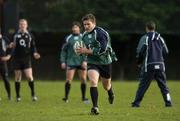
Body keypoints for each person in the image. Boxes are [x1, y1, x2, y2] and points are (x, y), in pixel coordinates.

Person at [76, 13, 117, 115]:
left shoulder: (101, 33)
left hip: (104, 61)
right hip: (92, 62)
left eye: (88, 24)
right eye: (84, 24)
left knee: (106, 86)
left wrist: (87, 51)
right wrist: (83, 56)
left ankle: (110, 92)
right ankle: (95, 107)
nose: (85, 27)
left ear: (94, 23)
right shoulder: (84, 35)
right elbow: (83, 49)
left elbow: (103, 49)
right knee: (93, 82)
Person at [131, 21, 172, 107]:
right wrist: (159, 57)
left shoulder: (145, 38)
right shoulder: (160, 38)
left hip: (149, 65)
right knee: (164, 86)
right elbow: (166, 51)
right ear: (154, 28)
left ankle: (136, 103)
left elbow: (141, 51)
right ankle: (168, 102)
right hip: (160, 65)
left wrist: (139, 61)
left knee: (143, 85)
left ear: (146, 28)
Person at [10, 19, 40, 102]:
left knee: (30, 77)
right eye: (21, 24)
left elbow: (33, 47)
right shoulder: (15, 35)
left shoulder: (30, 35)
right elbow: (11, 45)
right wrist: (11, 46)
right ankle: (18, 96)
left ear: (26, 25)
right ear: (19, 25)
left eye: (24, 24)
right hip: (17, 59)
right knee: (17, 78)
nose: (22, 26)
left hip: (26, 59)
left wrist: (35, 53)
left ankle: (33, 94)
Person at [60, 21, 89, 103]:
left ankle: (83, 98)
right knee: (68, 80)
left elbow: (87, 50)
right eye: (73, 27)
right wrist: (63, 61)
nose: (74, 28)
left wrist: (85, 60)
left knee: (83, 79)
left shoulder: (84, 37)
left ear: (79, 28)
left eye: (76, 27)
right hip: (71, 62)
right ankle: (66, 98)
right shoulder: (68, 38)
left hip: (81, 62)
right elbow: (63, 50)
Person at [0, 30, 12, 100]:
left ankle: (9, 95)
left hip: (2, 62)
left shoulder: (4, 39)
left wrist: (8, 56)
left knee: (5, 78)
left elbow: (11, 47)